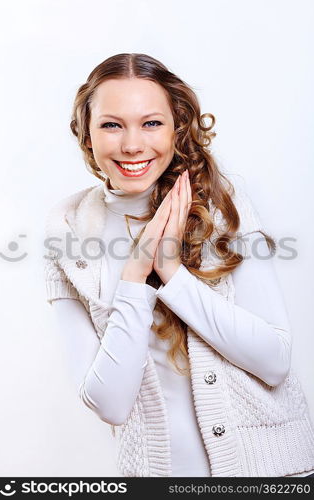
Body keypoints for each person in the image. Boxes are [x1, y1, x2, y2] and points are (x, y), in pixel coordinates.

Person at [44, 53, 314, 477]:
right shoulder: (67, 231)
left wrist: (171, 271)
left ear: (177, 129)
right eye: (111, 124)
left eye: (151, 122)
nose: (132, 144)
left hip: (271, 473)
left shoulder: (224, 206)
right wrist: (135, 276)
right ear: (87, 134)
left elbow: (275, 360)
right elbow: (110, 403)